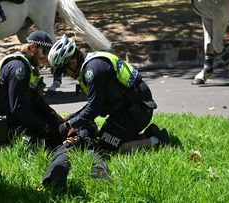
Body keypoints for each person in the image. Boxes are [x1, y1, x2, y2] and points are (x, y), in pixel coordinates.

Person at [42, 35, 170, 192]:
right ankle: (143, 136)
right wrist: (72, 120)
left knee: (106, 149)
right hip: (127, 108)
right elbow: (94, 106)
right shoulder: (90, 65)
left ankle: (157, 139)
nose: (65, 75)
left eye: (63, 71)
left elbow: (93, 109)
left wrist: (69, 124)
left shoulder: (93, 71)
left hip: (137, 110)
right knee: (101, 141)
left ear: (72, 62)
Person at [0, 31, 65, 152]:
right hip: (0, 123)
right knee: (41, 144)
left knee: (55, 128)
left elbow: (35, 99)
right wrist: (43, 127)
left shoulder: (28, 66)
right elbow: (17, 108)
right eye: (44, 51)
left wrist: (53, 115)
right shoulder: (19, 68)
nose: (46, 56)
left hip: (11, 116)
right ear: (32, 48)